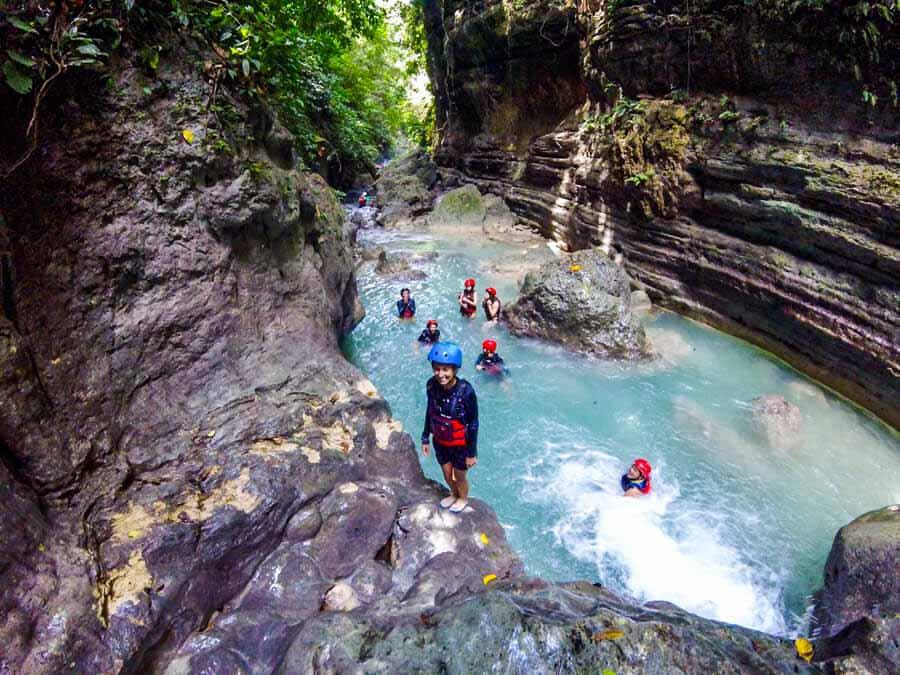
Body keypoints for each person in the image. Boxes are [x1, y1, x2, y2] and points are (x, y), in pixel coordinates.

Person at [422, 342, 479, 513]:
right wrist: (425, 437)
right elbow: (430, 411)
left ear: (454, 370)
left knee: (459, 476)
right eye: (437, 369)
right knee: (447, 474)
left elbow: (474, 423)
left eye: (446, 370)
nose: (441, 374)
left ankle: (463, 498)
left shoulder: (466, 392)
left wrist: (471, 453)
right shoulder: (431, 385)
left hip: (460, 444)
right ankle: (454, 494)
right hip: (440, 440)